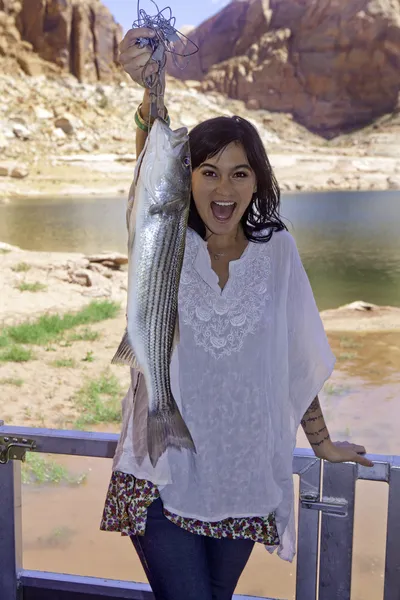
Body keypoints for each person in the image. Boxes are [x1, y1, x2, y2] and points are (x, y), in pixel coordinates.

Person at [100, 27, 374, 600]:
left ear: (257, 182)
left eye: (239, 173)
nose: (223, 188)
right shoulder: (166, 237)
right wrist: (150, 88)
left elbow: (293, 355)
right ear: (188, 180)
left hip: (244, 476)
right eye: (207, 172)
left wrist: (322, 444)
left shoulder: (278, 251)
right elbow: (152, 161)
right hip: (162, 471)